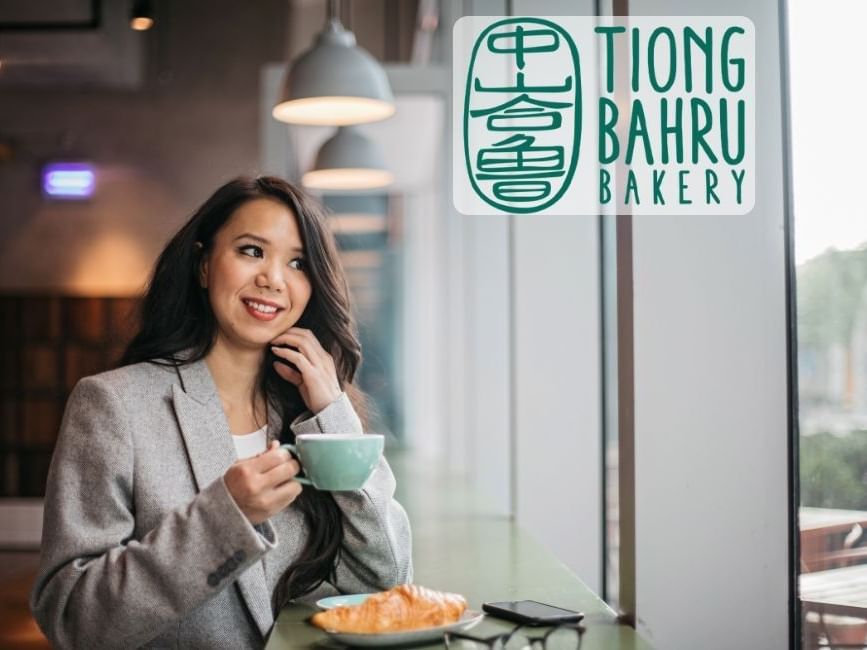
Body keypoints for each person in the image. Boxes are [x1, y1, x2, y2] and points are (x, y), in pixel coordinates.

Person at [29, 176, 413, 648]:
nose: (273, 278)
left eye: (298, 263)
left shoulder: (310, 415)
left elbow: (386, 575)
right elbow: (72, 616)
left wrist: (334, 411)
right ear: (204, 264)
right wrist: (222, 518)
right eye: (252, 251)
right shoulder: (113, 404)